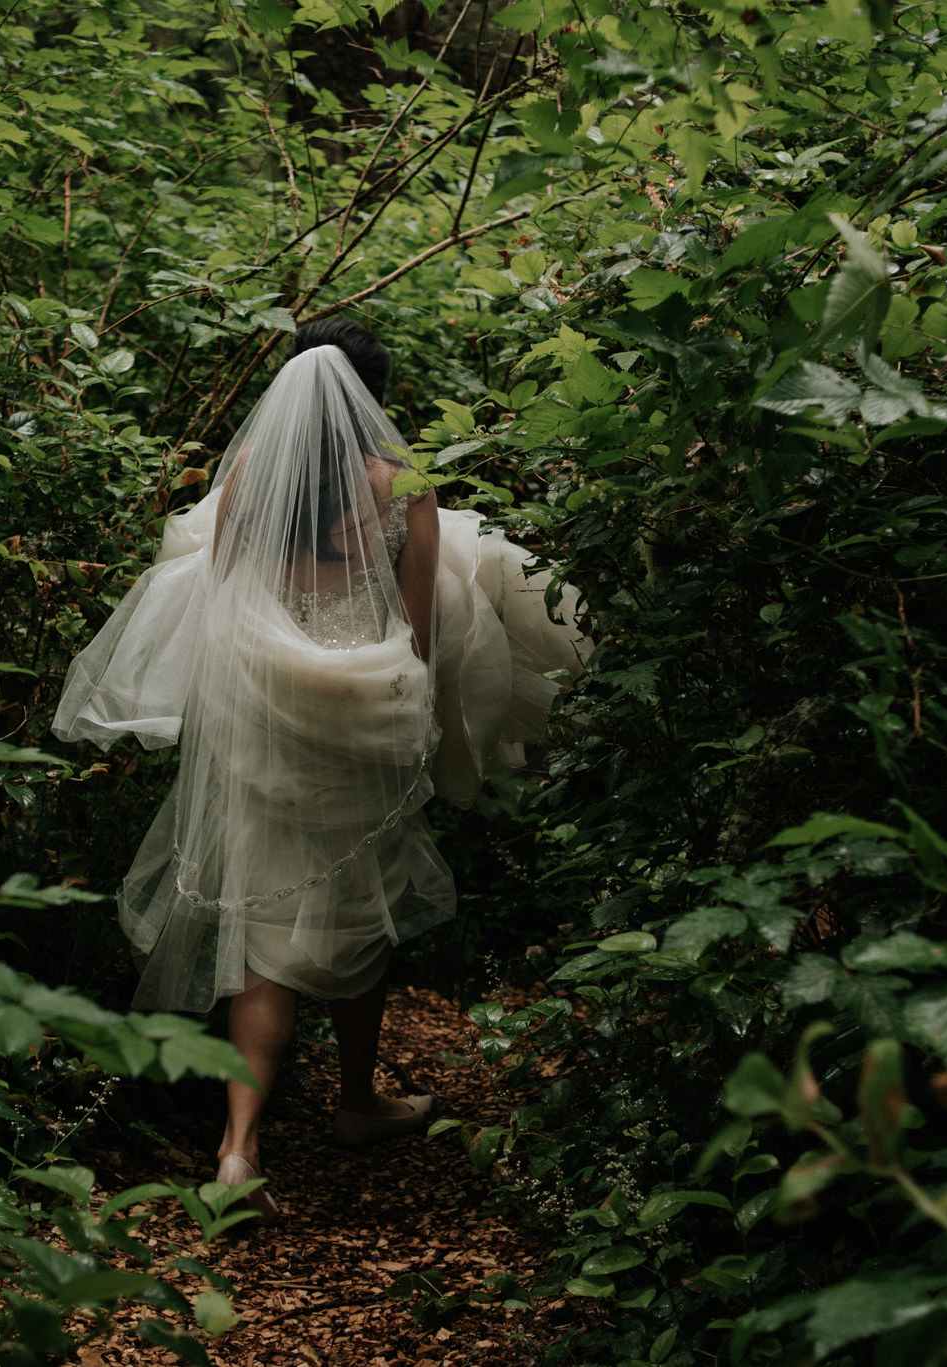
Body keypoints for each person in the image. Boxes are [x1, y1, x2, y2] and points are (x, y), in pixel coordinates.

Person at [53, 320, 586, 1221]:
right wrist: (404, 710)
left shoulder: (251, 475)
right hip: (366, 715)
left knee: (265, 933)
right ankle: (354, 1101)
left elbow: (222, 606)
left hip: (267, 716)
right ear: (373, 394)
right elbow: (416, 633)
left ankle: (236, 1148)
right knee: (360, 901)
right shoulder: (398, 480)